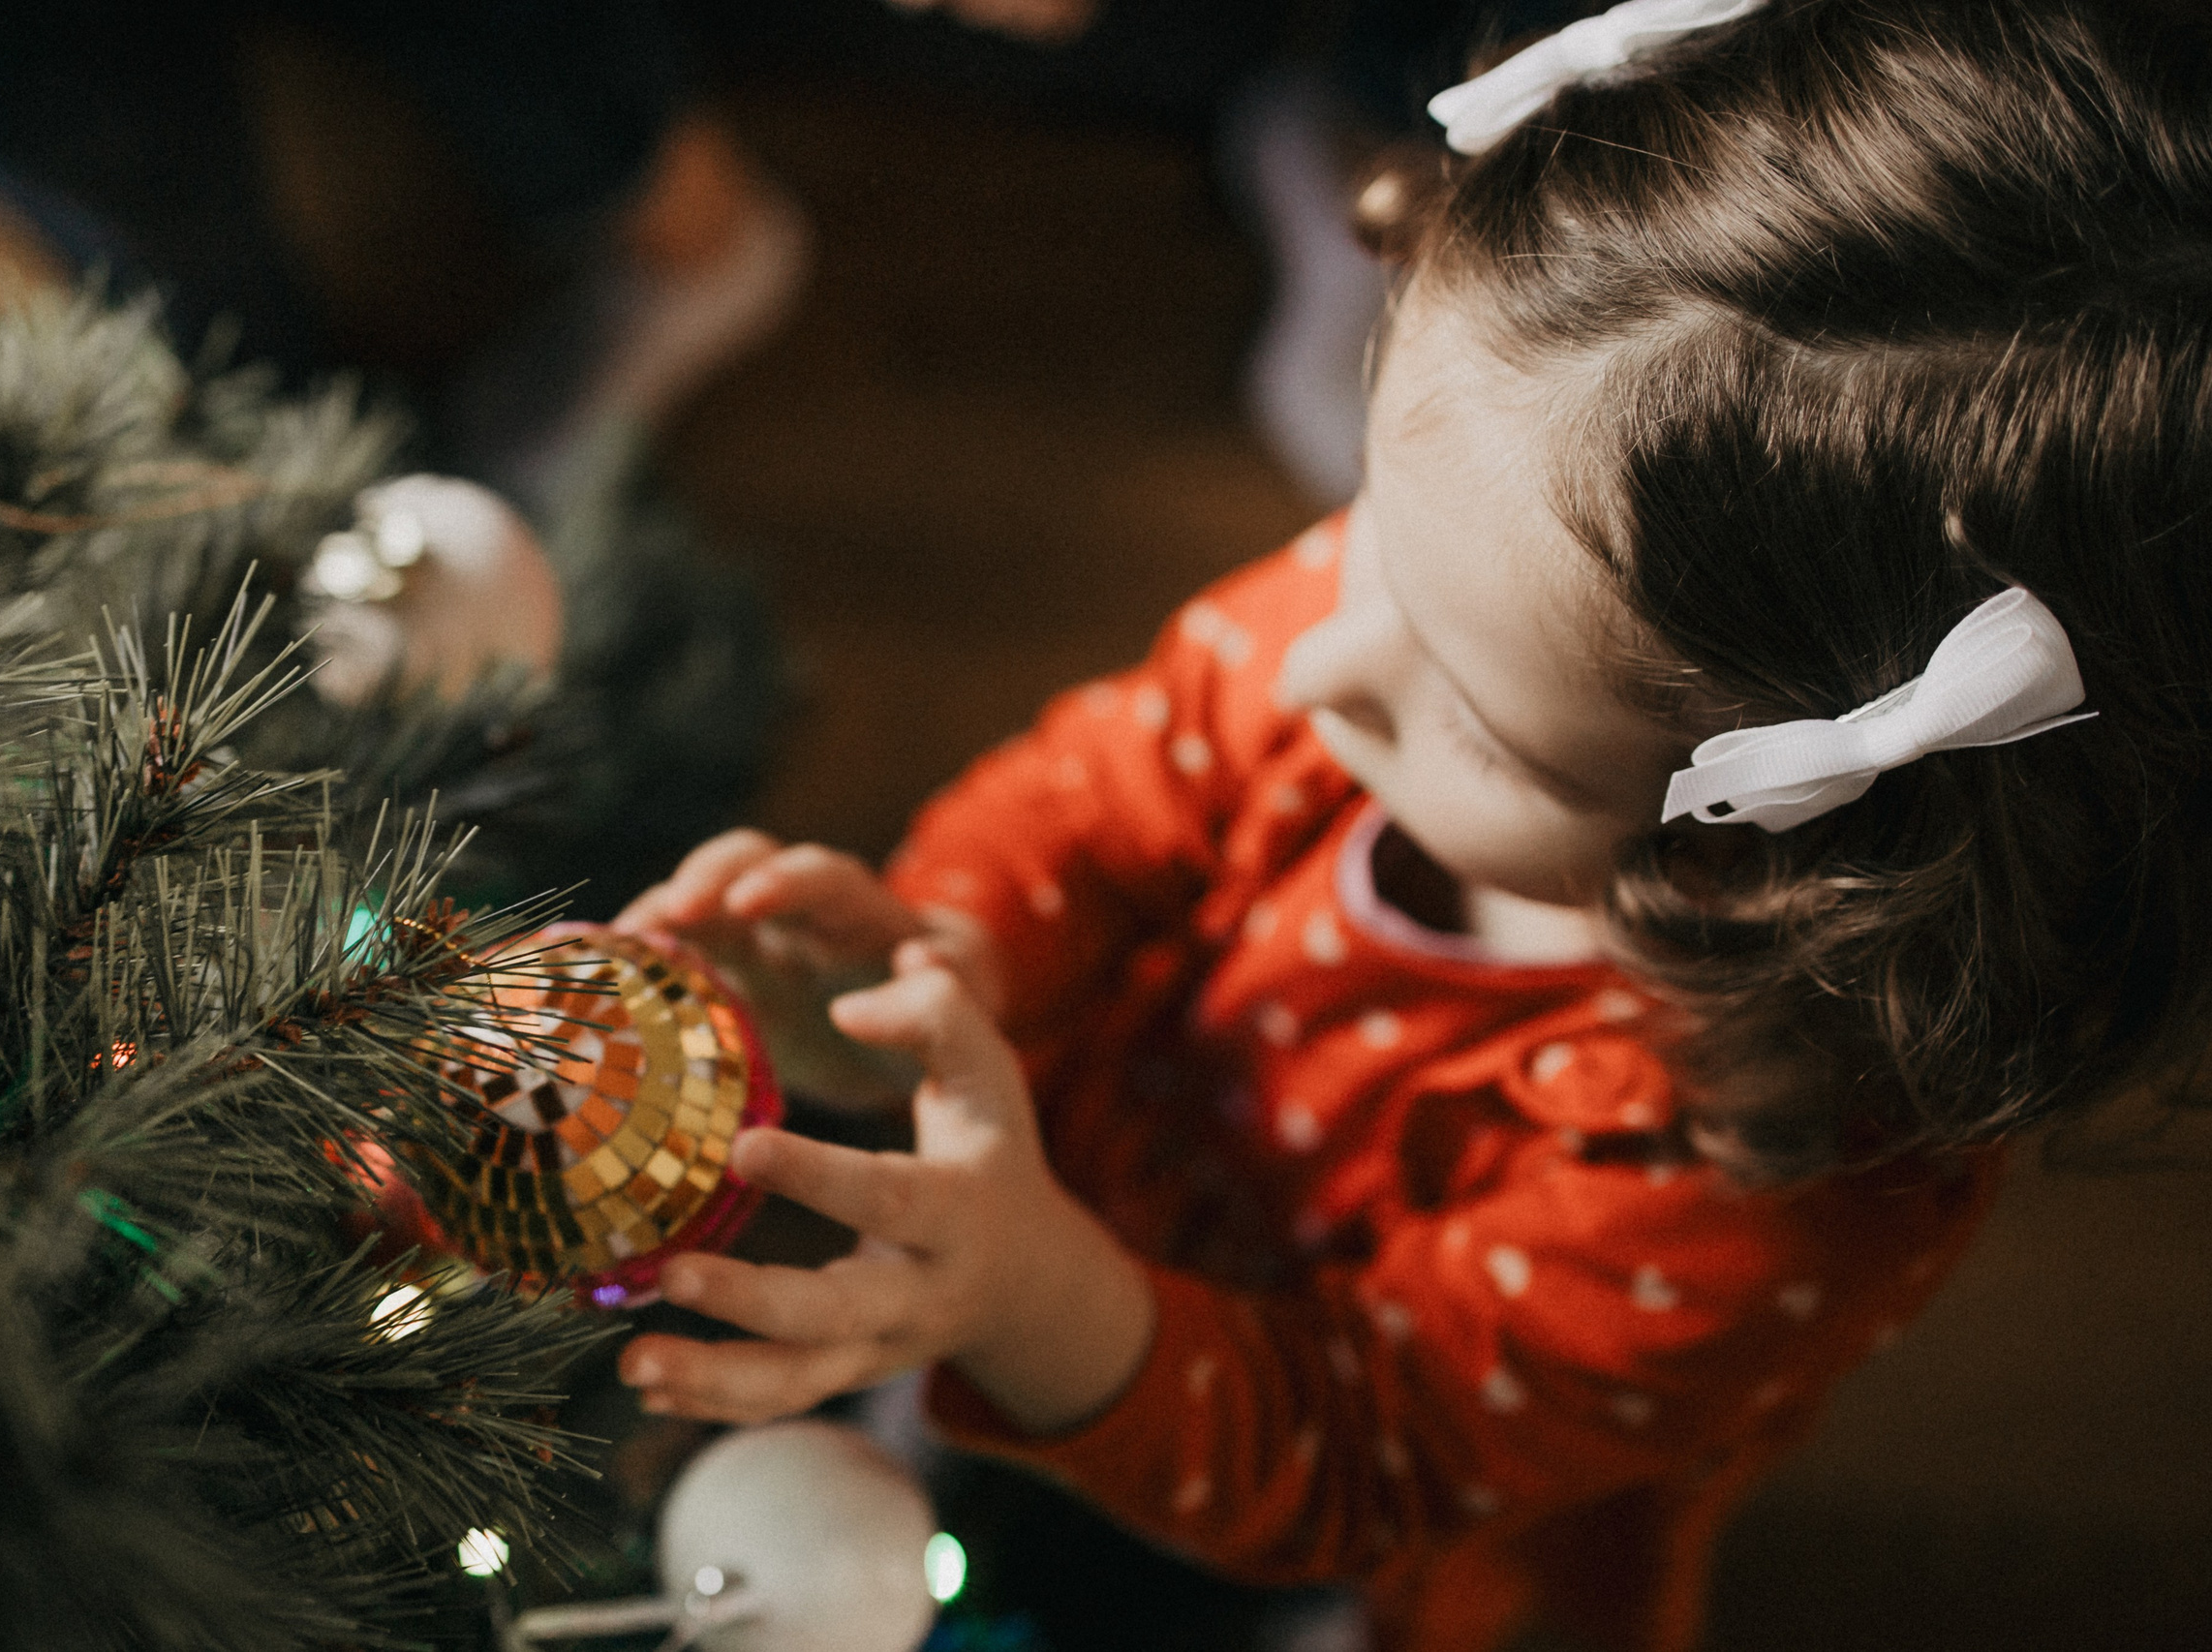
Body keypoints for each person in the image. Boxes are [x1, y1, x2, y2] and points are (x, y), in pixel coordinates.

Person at [610, 1, 2212, 1647]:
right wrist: (951, 955)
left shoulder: (1764, 1173)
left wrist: (1028, 1298)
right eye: (1366, 522)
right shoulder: (1397, 614)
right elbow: (1101, 794)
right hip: (1071, 1206)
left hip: (1301, 1523)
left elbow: (1360, 1444)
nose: (1313, 661)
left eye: (1474, 712)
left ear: (1788, 862)